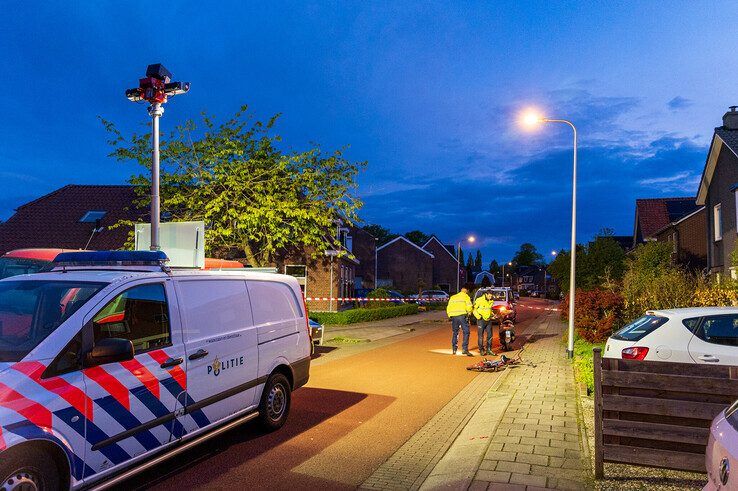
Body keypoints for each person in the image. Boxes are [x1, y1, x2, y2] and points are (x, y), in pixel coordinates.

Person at [446, 286, 473, 356]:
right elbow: (469, 307)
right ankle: (464, 349)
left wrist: (450, 315)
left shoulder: (453, 297)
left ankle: (454, 349)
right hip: (462, 316)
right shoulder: (466, 297)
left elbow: (448, 307)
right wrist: (469, 313)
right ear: (466, 291)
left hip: (454, 317)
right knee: (466, 332)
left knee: (455, 332)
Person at [473, 289, 495, 356]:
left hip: (488, 320)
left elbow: (489, 309)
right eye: (489, 296)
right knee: (481, 336)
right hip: (481, 320)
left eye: (491, 296)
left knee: (490, 335)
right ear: (486, 294)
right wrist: (478, 316)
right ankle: (481, 350)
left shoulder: (491, 301)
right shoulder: (479, 300)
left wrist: (492, 315)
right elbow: (474, 309)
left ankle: (489, 350)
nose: (490, 297)